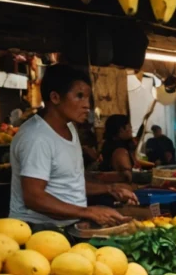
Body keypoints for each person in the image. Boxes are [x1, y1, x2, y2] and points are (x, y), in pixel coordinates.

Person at [10, 64, 135, 228]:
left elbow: (70, 181)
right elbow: (34, 198)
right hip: (38, 229)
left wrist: (111, 189)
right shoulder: (36, 137)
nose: (87, 105)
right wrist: (89, 212)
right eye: (79, 96)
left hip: (69, 224)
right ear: (55, 97)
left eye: (88, 97)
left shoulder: (69, 127)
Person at [98, 114, 138, 180]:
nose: (131, 130)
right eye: (129, 127)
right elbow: (129, 177)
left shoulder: (109, 144)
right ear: (121, 129)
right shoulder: (121, 152)